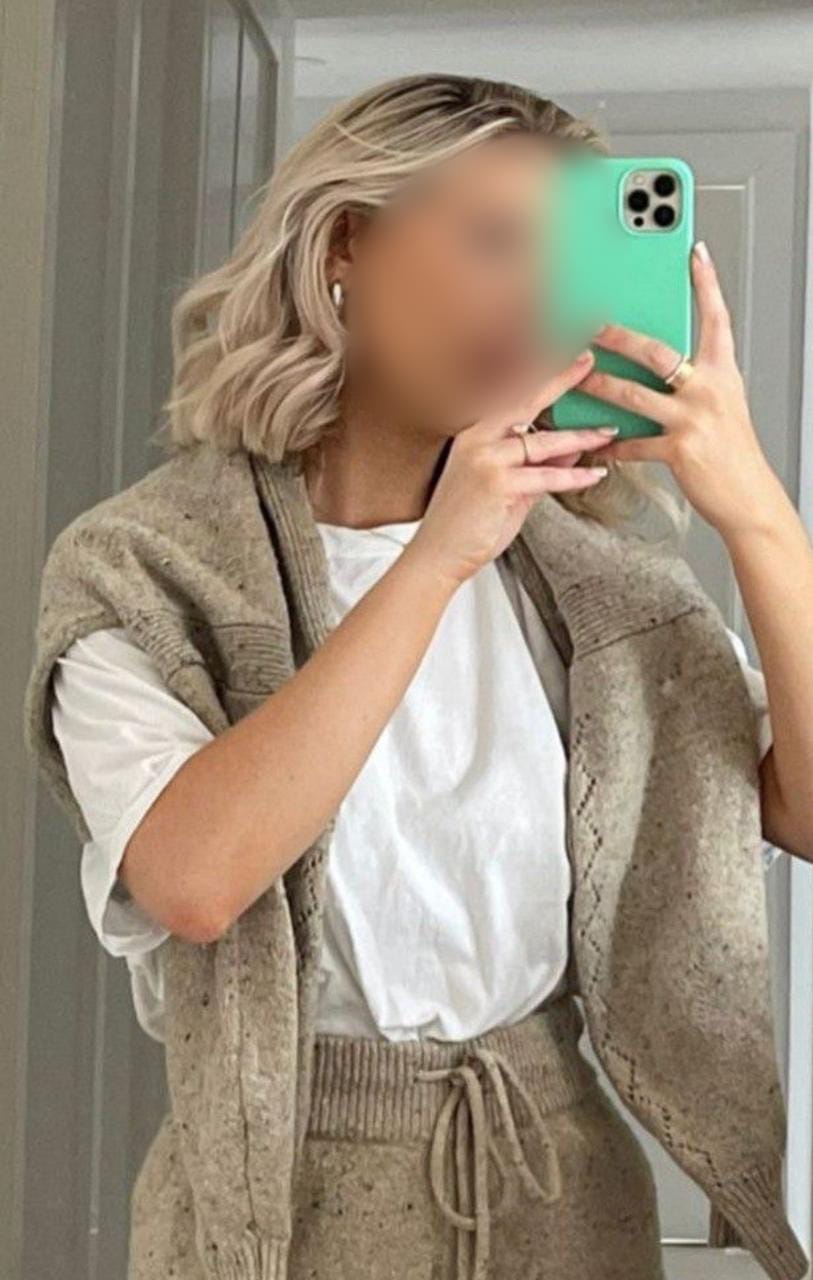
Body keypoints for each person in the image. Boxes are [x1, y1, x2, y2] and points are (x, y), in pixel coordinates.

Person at [24, 74, 813, 1280]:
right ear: (345, 243)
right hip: (280, 1205)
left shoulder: (606, 596)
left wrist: (756, 511)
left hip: (566, 1199)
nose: (533, 296)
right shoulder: (143, 567)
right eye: (493, 241)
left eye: (560, 255)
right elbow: (195, 879)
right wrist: (438, 555)